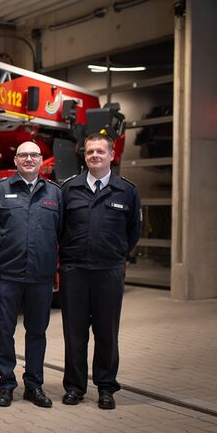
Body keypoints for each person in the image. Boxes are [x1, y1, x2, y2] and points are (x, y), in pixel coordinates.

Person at [59, 133, 141, 410]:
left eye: (100, 151)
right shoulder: (69, 189)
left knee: (107, 333)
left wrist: (117, 255)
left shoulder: (126, 190)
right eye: (90, 152)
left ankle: (106, 387)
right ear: (84, 156)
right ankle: (74, 387)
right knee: (75, 332)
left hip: (108, 271)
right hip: (74, 271)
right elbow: (60, 229)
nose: (95, 156)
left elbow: (133, 231)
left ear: (112, 155)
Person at [0, 141, 62, 408]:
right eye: (23, 155)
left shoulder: (55, 192)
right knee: (4, 330)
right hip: (7, 274)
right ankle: (6, 384)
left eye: (34, 155)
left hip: (41, 276)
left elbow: (61, 231)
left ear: (41, 160)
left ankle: (34, 385)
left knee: (37, 332)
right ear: (16, 160)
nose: (29, 159)